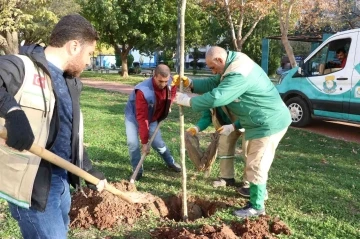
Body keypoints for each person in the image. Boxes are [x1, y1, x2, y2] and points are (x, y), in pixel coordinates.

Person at [0, 14, 107, 238]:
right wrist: (12, 111)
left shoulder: (71, 82)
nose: (89, 61)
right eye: (89, 53)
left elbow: (68, 132)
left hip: (60, 182)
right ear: (74, 46)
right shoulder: (21, 66)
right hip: (33, 187)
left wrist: (87, 168)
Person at [173, 46, 291, 218]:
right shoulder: (230, 64)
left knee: (257, 164)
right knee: (252, 159)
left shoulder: (238, 72)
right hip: (255, 121)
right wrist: (190, 84)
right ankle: (256, 192)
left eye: (212, 67)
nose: (212, 71)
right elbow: (214, 83)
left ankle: (257, 206)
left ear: (220, 60)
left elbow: (217, 96)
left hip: (268, 122)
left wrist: (188, 101)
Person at [125, 64, 181, 181]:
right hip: (134, 117)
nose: (163, 84)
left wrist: (169, 103)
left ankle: (170, 162)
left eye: (166, 81)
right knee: (133, 144)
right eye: (160, 81)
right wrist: (144, 142)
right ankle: (137, 170)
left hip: (153, 117)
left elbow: (173, 91)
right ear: (154, 76)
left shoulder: (171, 83)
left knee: (158, 144)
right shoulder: (143, 91)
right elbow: (142, 117)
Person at [185, 106, 244, 187]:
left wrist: (234, 126)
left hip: (246, 123)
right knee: (224, 147)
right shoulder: (206, 98)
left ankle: (249, 182)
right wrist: (196, 128)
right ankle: (227, 178)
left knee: (249, 151)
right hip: (227, 126)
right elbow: (207, 117)